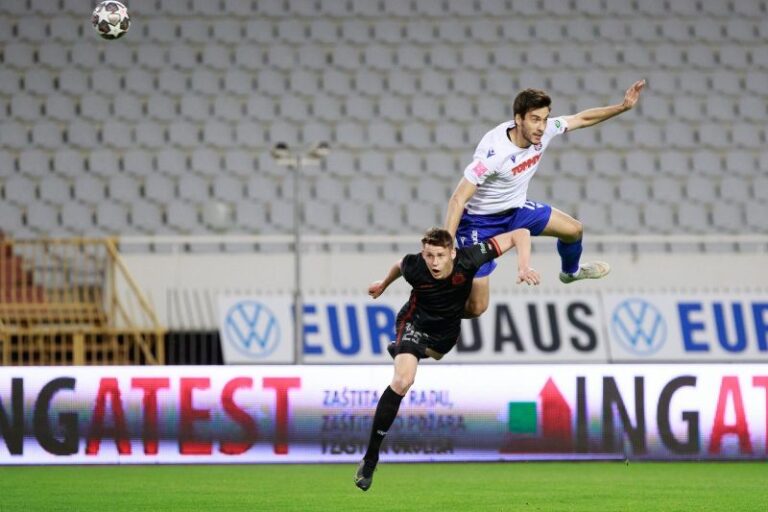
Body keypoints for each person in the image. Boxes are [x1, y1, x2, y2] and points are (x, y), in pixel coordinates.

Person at [354, 226, 539, 491]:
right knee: (403, 381)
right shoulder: (415, 266)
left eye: (440, 255)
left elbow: (520, 233)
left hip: (445, 333)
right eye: (429, 255)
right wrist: (383, 284)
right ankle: (371, 458)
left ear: (453, 252)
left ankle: (405, 351)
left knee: (440, 351)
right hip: (414, 324)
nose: (434, 262)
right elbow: (399, 265)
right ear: (423, 253)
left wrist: (523, 266)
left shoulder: (470, 258)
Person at [444, 80, 646, 318]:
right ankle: (436, 313)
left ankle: (570, 273)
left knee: (574, 230)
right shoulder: (493, 154)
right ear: (518, 119)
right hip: (480, 223)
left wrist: (622, 107)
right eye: (535, 119)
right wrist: (446, 246)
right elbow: (458, 199)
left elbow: (581, 119)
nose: (541, 127)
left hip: (517, 210)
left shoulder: (545, 130)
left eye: (544, 118)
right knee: (477, 307)